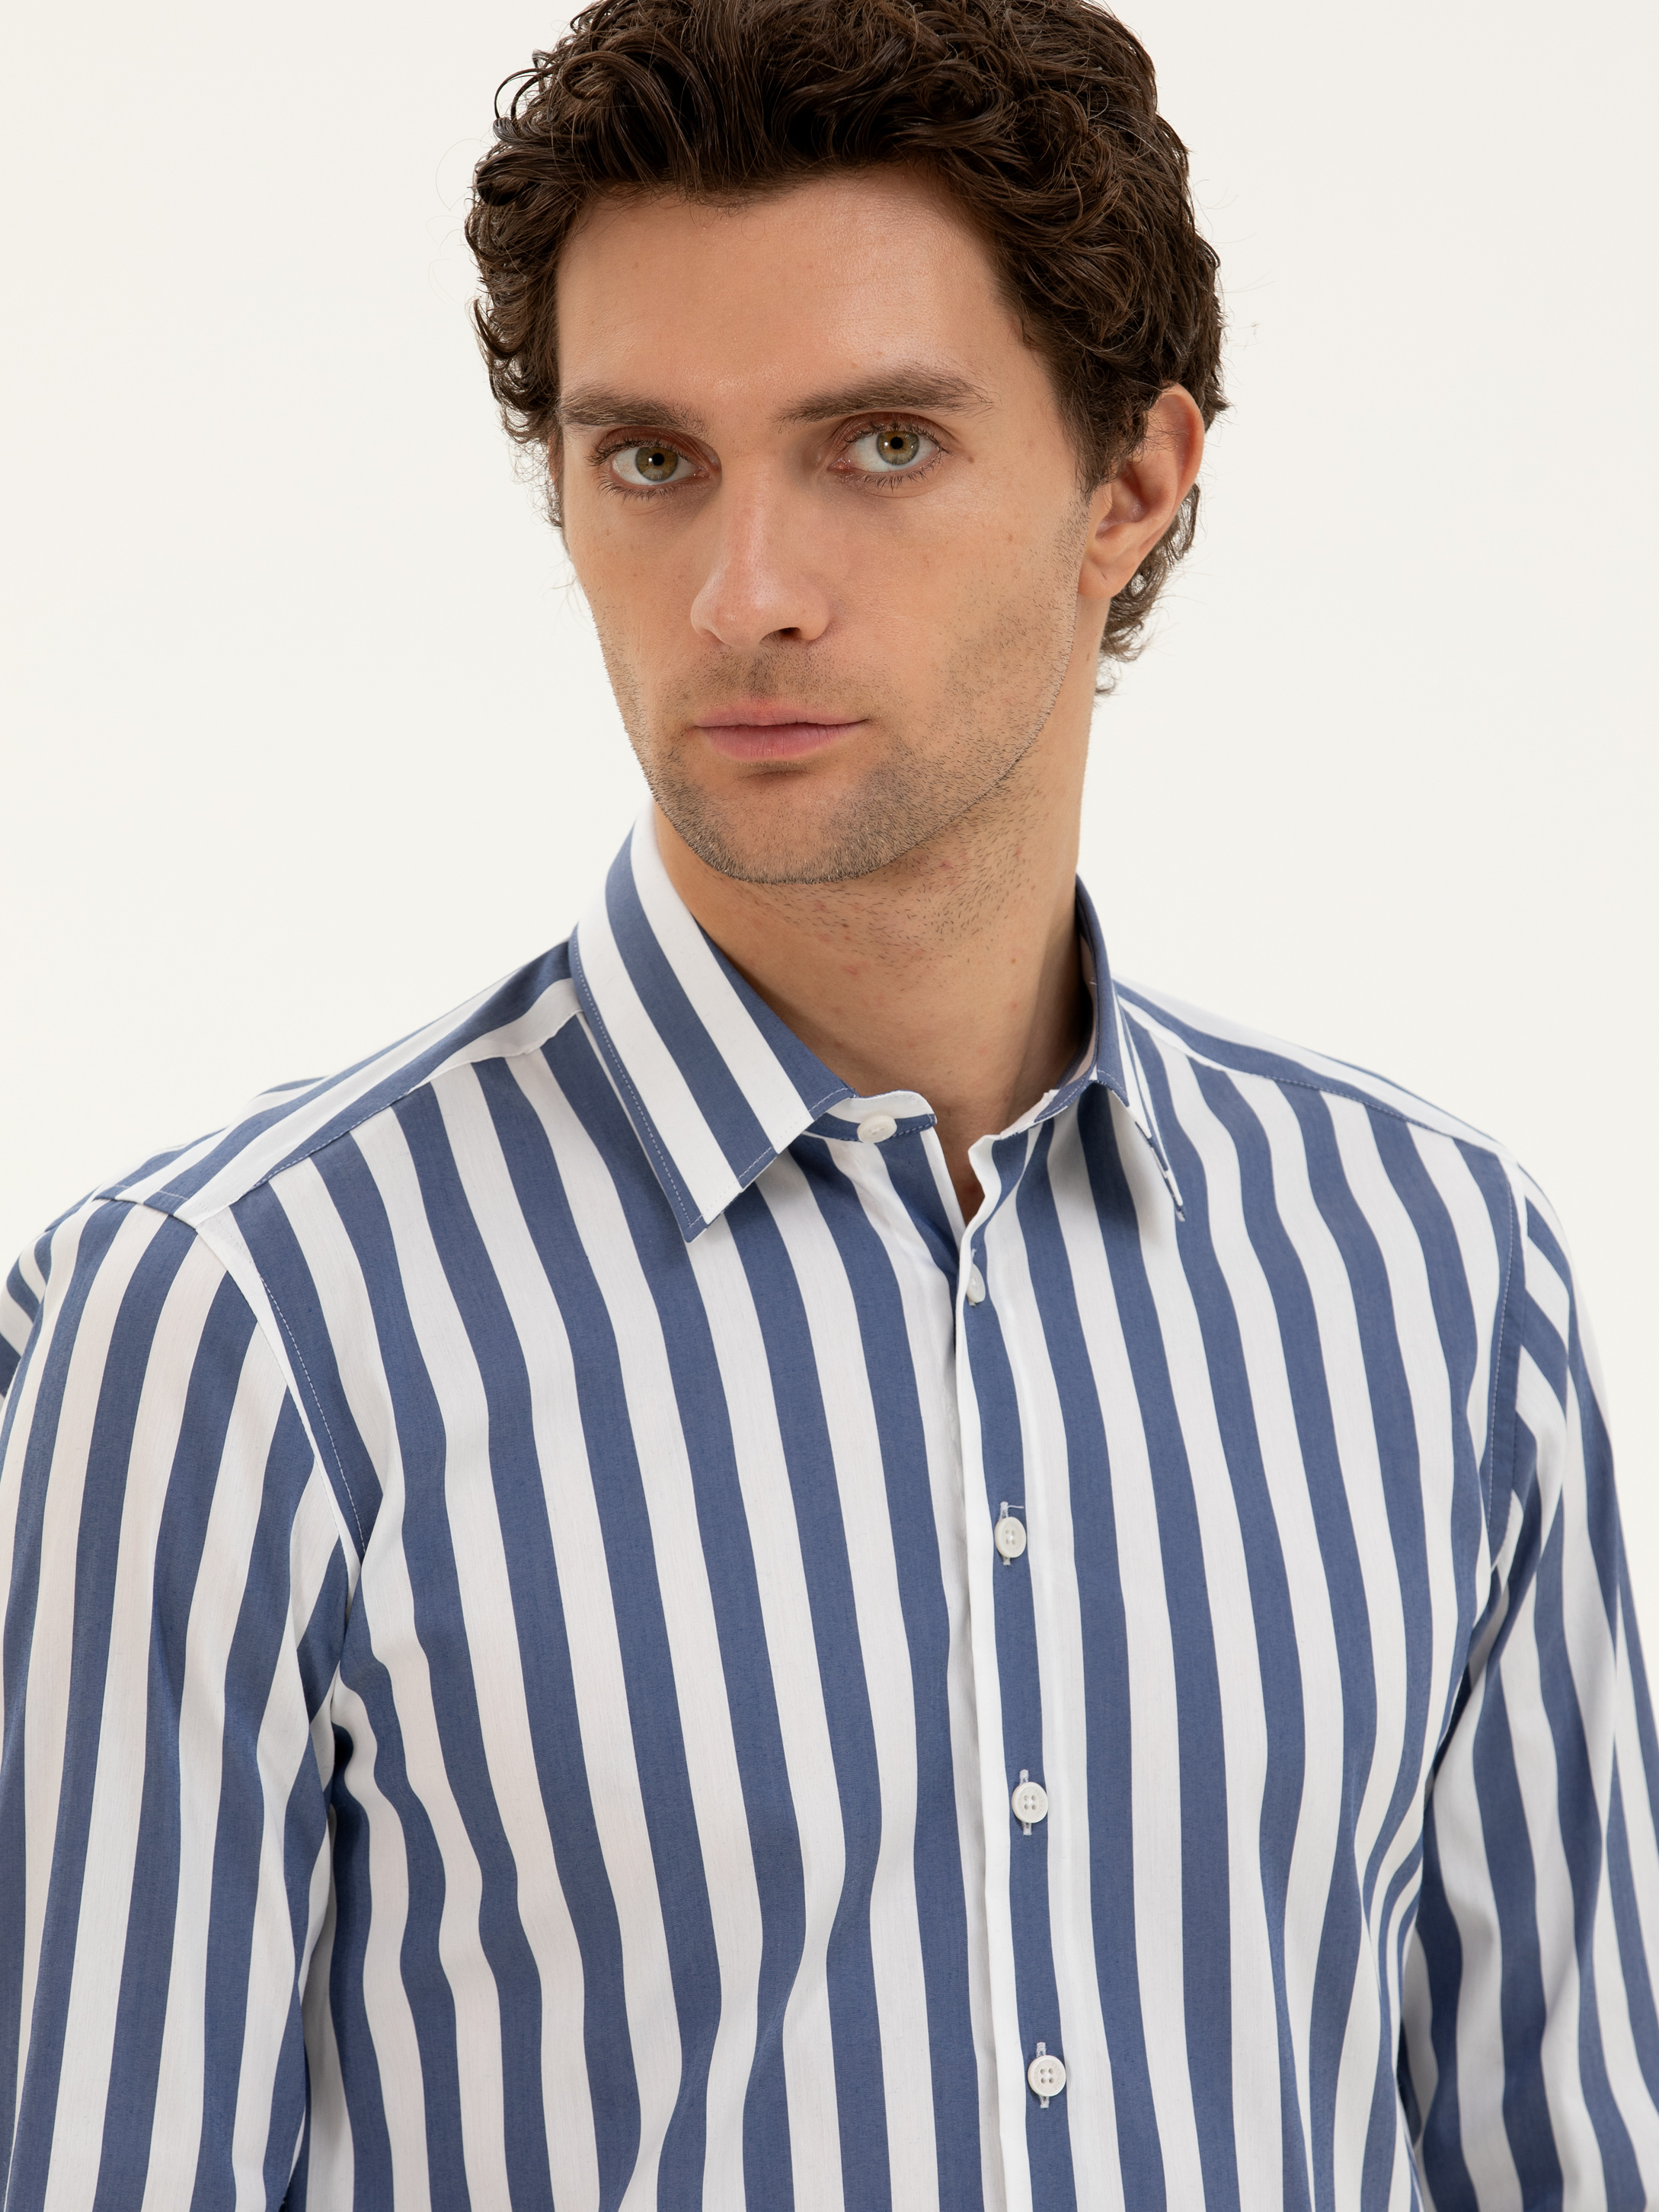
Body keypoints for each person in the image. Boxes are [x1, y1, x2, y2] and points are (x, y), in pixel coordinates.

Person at [2, 0, 1654, 2203]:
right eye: (649, 459)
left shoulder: (1437, 1283)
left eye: (879, 443)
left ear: (1133, 483)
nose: (742, 595)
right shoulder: (228, 1330)